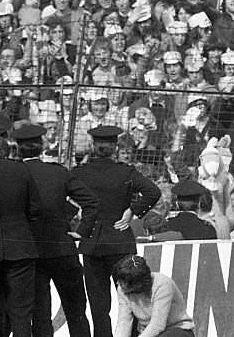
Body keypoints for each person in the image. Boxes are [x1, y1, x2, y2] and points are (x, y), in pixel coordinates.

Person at [71, 125, 162, 337]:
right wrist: (132, 211)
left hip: (93, 240)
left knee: (98, 304)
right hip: (120, 239)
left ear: (93, 146)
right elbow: (153, 191)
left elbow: (67, 198)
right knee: (132, 297)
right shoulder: (125, 171)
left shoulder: (80, 173)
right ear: (115, 147)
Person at [13, 124, 99, 337]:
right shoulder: (57, 172)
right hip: (62, 247)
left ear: (17, 147)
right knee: (76, 309)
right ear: (41, 145)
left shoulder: (14, 173)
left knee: (40, 313)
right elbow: (91, 202)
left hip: (31, 250)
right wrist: (82, 230)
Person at [0, 118, 41, 337]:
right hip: (20, 246)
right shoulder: (20, 169)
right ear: (0, 144)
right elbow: (35, 208)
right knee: (21, 312)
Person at [111, 254, 195, 337]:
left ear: (137, 284)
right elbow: (124, 322)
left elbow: (158, 324)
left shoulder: (162, 284)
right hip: (146, 332)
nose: (118, 283)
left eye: (123, 282)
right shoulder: (122, 289)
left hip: (176, 329)